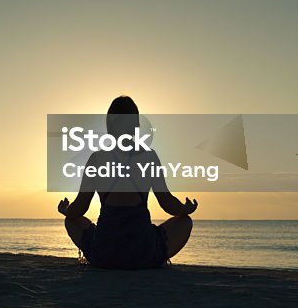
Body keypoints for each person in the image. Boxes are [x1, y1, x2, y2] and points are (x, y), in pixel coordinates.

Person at [57, 95, 197, 269]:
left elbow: (79, 208)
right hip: (143, 253)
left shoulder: (97, 159)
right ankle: (153, 259)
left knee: (70, 221)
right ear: (136, 124)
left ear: (109, 125)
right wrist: (184, 209)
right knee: (186, 222)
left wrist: (65, 210)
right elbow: (166, 202)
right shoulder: (149, 156)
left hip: (104, 253)